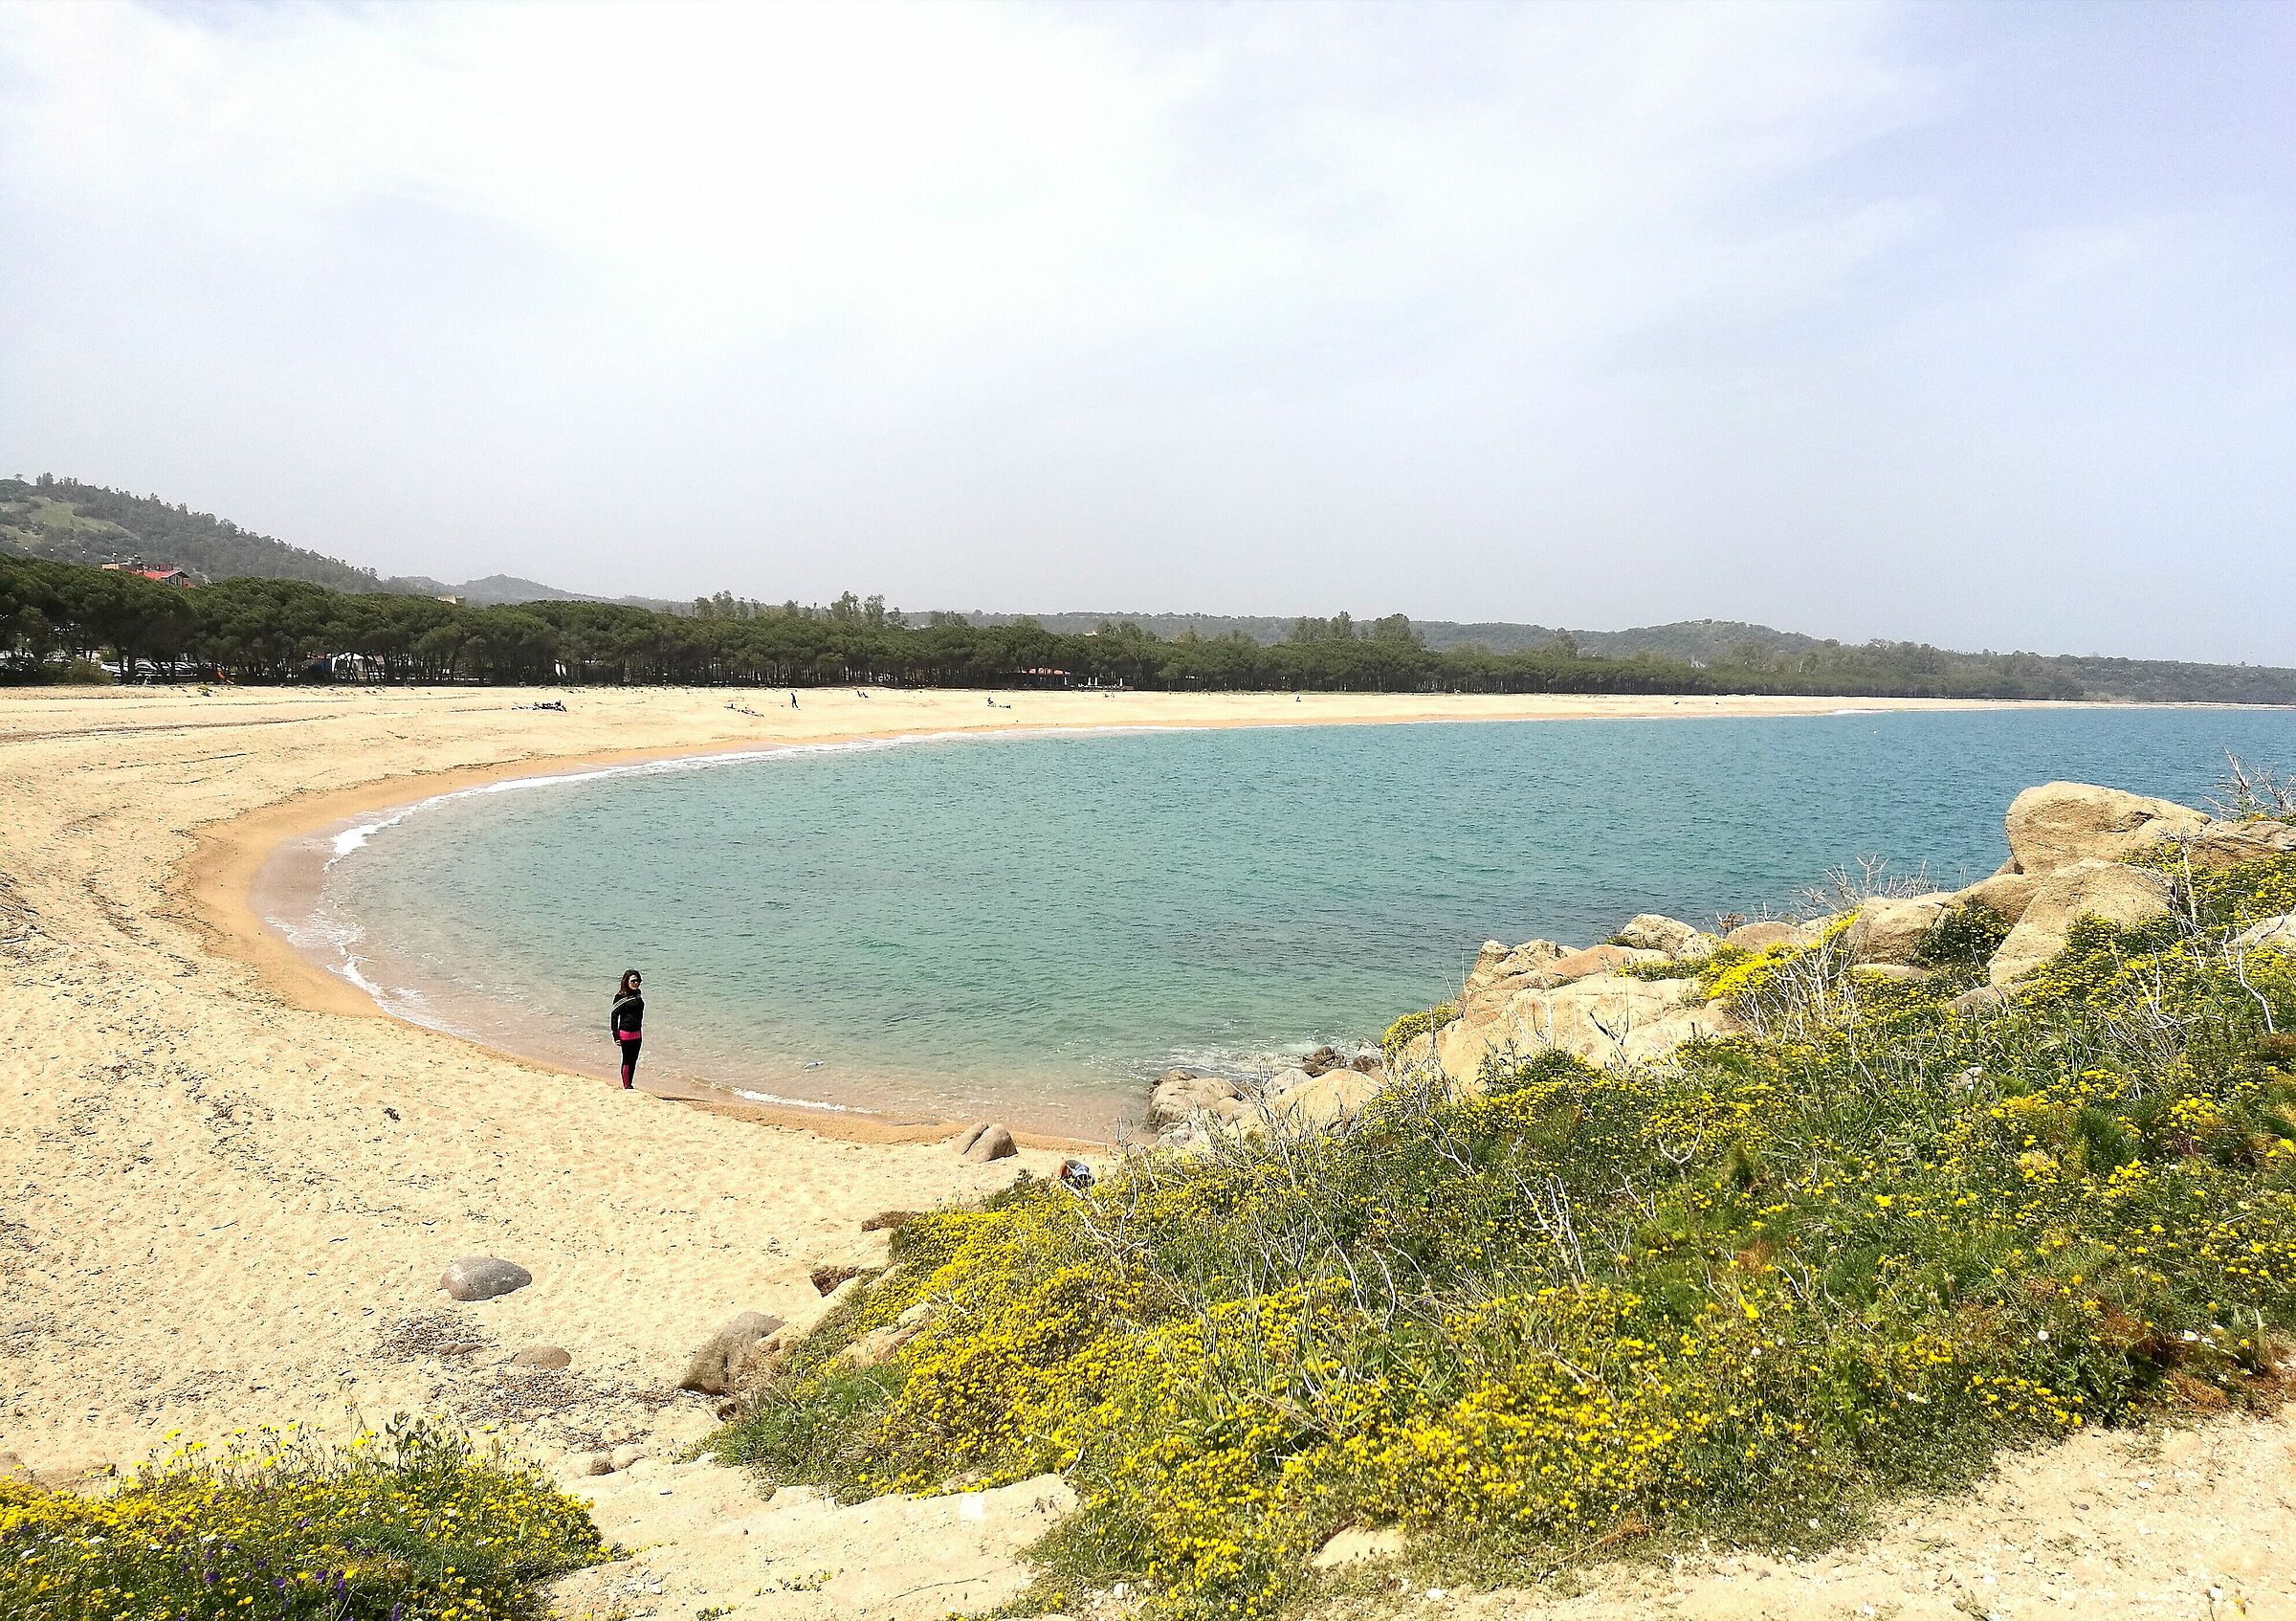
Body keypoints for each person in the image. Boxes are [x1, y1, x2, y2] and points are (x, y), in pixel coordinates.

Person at [609, 968, 645, 1088]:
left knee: (634, 1060)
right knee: (627, 1060)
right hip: (625, 1033)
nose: (636, 983)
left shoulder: (638, 994)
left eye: (638, 981)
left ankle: (630, 1084)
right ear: (626, 981)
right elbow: (614, 1016)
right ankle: (626, 1086)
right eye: (633, 981)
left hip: (637, 1033)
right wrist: (615, 1036)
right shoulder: (620, 997)